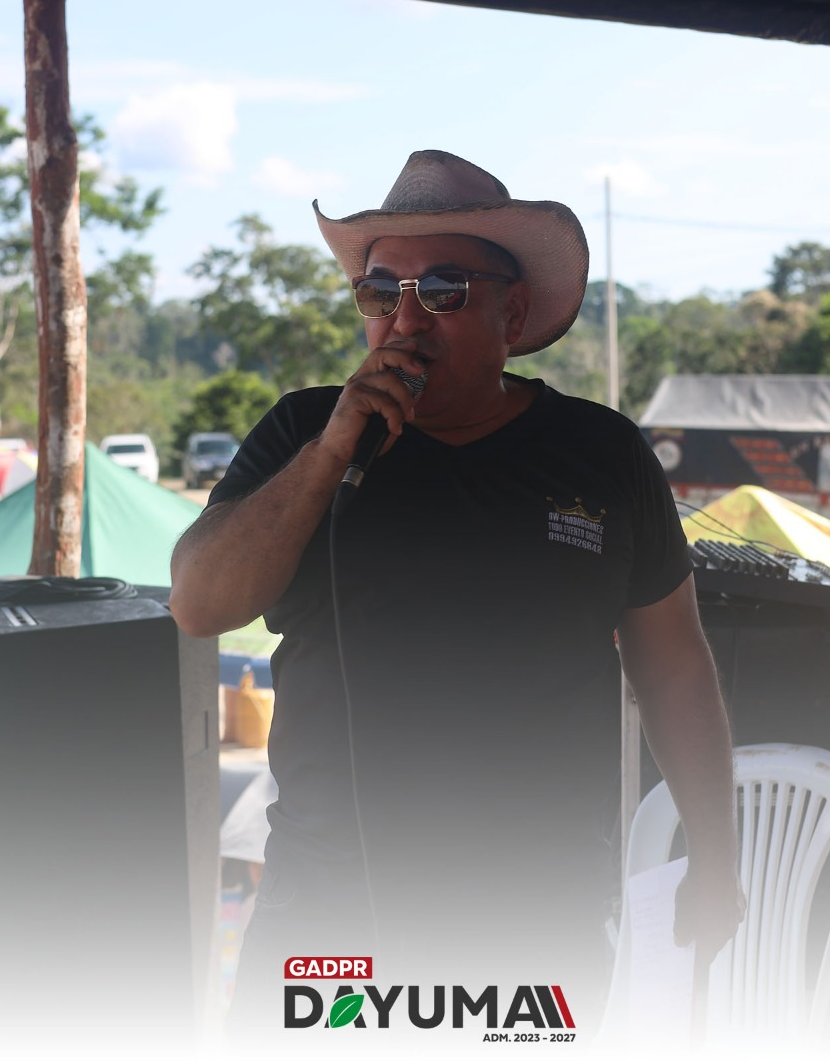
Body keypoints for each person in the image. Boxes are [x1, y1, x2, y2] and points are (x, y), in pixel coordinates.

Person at [168, 150, 741, 1037]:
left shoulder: (601, 453)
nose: (404, 319)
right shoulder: (303, 430)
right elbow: (200, 604)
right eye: (379, 291)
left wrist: (717, 855)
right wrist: (330, 454)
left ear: (512, 313)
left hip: (534, 915)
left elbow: (674, 668)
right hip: (333, 908)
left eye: (443, 290)